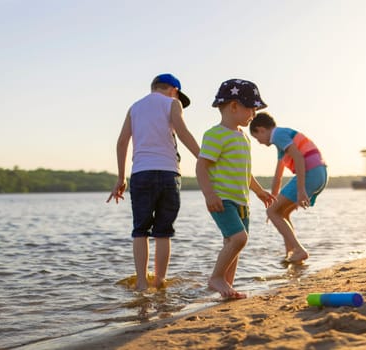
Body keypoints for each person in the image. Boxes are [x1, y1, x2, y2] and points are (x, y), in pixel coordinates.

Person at [107, 73, 200, 291]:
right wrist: (203, 159)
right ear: (174, 90)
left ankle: (141, 283)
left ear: (153, 88)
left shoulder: (134, 108)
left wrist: (121, 178)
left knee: (140, 230)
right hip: (168, 173)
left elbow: (122, 142)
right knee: (163, 232)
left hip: (141, 173)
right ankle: (159, 281)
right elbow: (183, 133)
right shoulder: (173, 103)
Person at [196, 79, 276, 299]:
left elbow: (245, 172)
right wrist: (209, 194)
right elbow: (201, 166)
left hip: (242, 201)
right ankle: (216, 278)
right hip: (222, 199)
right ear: (233, 106)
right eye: (251, 107)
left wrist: (259, 191)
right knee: (239, 238)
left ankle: (227, 287)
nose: (254, 113)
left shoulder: (243, 137)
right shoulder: (215, 134)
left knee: (234, 244)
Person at [249, 112, 328, 263]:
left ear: (261, 129)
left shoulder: (277, 135)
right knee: (280, 211)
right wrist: (273, 202)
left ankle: (299, 250)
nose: (258, 142)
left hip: (310, 173)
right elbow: (278, 176)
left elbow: (298, 157)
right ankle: (291, 253)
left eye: (256, 137)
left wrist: (300, 190)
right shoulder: (282, 142)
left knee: (273, 212)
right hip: (320, 173)